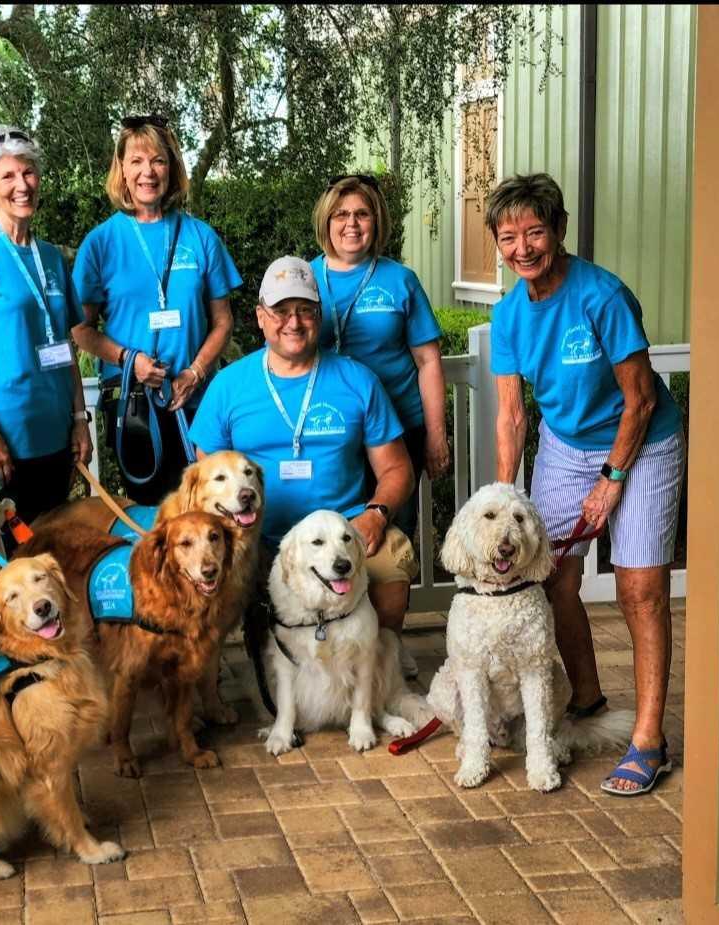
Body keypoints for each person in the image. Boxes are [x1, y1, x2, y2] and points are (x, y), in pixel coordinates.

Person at [488, 173, 685, 796]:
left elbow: (643, 397)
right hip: (568, 447)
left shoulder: (603, 296)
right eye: (509, 236)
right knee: (552, 576)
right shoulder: (509, 314)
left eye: (535, 232)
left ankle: (650, 739)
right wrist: (503, 502)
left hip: (644, 441)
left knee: (639, 587)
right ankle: (590, 697)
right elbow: (513, 415)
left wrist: (613, 479)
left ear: (560, 231)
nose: (523, 248)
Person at [189, 256, 418, 630]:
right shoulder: (229, 386)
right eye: (280, 311)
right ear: (260, 316)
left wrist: (375, 514)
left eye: (305, 310)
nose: (293, 322)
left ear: (320, 315)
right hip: (256, 538)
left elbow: (397, 468)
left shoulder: (358, 381)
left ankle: (384, 654)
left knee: (392, 562)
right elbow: (207, 480)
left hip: (342, 533)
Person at [72, 113, 242, 504]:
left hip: (196, 400)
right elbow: (81, 329)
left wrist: (195, 373)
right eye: (136, 161)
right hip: (136, 404)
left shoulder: (200, 236)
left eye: (158, 161)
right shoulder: (101, 243)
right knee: (152, 513)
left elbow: (222, 322)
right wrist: (130, 360)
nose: (148, 172)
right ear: (122, 170)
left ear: (172, 169)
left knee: (206, 509)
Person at [310, 173, 449, 618]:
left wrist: (436, 435)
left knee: (392, 535)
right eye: (341, 214)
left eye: (362, 214)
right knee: (335, 536)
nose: (352, 224)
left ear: (377, 221)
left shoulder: (400, 280)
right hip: (332, 429)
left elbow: (428, 361)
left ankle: (388, 639)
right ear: (326, 222)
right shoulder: (305, 277)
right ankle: (342, 633)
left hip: (399, 428)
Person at [0, 125, 92, 532]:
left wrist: (80, 418)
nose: (22, 185)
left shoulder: (52, 257)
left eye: (28, 173)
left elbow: (66, 345)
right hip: (9, 444)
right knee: (15, 565)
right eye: (7, 176)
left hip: (58, 440)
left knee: (51, 556)